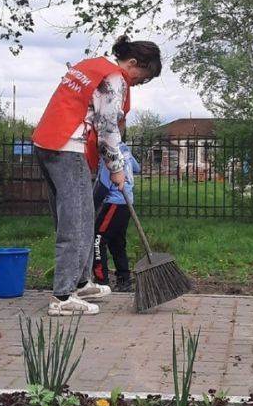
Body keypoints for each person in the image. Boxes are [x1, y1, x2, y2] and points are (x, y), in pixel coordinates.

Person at [33, 36, 161, 316]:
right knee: (77, 221)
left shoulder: (91, 65)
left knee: (78, 217)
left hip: (48, 141)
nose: (141, 83)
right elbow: (108, 129)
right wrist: (117, 169)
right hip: (68, 147)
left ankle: (81, 282)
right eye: (144, 76)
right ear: (133, 63)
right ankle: (63, 297)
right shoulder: (114, 78)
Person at [92, 140, 140, 292]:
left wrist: (91, 205)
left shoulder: (109, 153)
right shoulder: (125, 150)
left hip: (113, 203)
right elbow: (137, 168)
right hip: (127, 203)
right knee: (117, 242)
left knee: (97, 240)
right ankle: (124, 279)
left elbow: (104, 185)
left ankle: (101, 280)